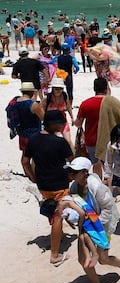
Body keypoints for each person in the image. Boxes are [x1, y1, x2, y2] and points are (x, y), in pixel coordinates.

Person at [65, 157, 120, 283]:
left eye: (74, 172)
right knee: (83, 259)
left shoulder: (96, 187)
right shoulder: (74, 188)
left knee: (103, 258)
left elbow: (108, 208)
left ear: (84, 172)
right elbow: (75, 207)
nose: (71, 175)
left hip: (102, 224)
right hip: (86, 225)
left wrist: (96, 225)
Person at [22, 110, 73, 266]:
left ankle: (58, 235)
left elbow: (24, 161)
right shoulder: (59, 142)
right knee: (58, 216)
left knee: (53, 210)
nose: (63, 125)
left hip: (43, 184)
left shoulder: (33, 140)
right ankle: (55, 255)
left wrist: (33, 177)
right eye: (61, 122)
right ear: (53, 124)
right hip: (59, 184)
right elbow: (72, 162)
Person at [7, 81, 44, 162]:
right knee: (35, 157)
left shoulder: (15, 102)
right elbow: (43, 118)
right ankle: (33, 174)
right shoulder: (33, 105)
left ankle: (27, 174)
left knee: (25, 156)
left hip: (22, 132)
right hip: (34, 133)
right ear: (32, 92)